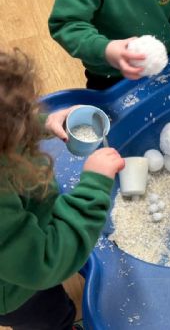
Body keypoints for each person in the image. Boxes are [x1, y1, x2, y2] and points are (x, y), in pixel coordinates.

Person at [0, 48, 125, 330]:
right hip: (15, 293)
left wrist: (43, 123)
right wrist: (93, 185)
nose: (28, 119)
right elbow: (43, 262)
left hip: (20, 253)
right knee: (51, 318)